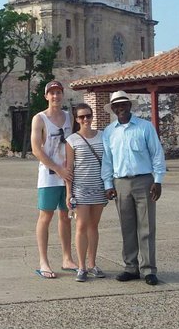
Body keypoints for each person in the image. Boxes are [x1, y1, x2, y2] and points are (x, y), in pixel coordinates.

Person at [101, 90, 166, 286]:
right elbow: (107, 160)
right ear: (113, 109)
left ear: (130, 106)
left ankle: (148, 269)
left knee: (146, 227)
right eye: (117, 106)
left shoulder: (145, 127)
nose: (120, 108)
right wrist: (108, 184)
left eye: (124, 104)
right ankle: (130, 267)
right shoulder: (109, 132)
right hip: (121, 182)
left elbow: (157, 154)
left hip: (144, 180)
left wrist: (158, 180)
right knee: (127, 227)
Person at [30, 80, 77, 279]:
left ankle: (67, 257)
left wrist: (69, 169)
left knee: (65, 216)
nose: (56, 96)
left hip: (66, 174)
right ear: (46, 96)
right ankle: (44, 261)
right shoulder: (39, 119)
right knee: (45, 217)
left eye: (59, 92)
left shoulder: (68, 116)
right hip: (49, 175)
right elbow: (36, 149)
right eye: (52, 93)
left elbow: (74, 142)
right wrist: (57, 168)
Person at [65, 103, 108, 282]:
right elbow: (69, 168)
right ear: (76, 119)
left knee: (94, 226)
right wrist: (69, 193)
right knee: (81, 226)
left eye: (88, 116)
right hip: (81, 189)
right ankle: (81, 266)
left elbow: (108, 161)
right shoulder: (72, 140)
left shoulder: (103, 136)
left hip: (99, 187)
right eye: (82, 117)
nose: (86, 120)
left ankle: (92, 263)